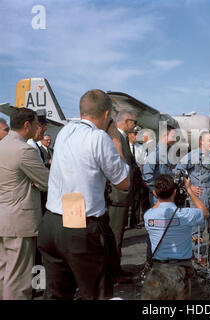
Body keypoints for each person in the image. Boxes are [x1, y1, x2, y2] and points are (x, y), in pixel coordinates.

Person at [37, 89, 130, 300]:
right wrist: (115, 138)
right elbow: (124, 182)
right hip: (80, 225)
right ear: (107, 115)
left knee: (57, 294)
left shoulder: (64, 132)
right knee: (96, 292)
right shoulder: (98, 137)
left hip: (51, 223)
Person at [0, 108, 49, 300]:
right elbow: (47, 182)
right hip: (20, 222)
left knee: (4, 275)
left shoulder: (2, 145)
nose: (39, 128)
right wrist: (35, 180)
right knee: (19, 281)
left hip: (4, 218)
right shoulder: (24, 150)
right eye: (37, 124)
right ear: (27, 125)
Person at [144, 174, 209, 278]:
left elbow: (156, 208)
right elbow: (205, 213)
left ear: (155, 194)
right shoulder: (185, 214)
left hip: (159, 268)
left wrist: (158, 195)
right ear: (175, 192)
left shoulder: (148, 216)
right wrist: (189, 190)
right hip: (182, 268)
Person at [176, 132, 210, 264]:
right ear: (201, 142)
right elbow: (178, 171)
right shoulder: (193, 155)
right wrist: (189, 187)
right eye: (209, 140)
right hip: (200, 196)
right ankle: (196, 255)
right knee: (198, 228)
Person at [107, 110, 138, 259]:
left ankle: (115, 269)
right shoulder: (115, 138)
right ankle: (112, 273)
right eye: (134, 122)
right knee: (114, 235)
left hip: (122, 196)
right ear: (126, 122)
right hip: (117, 197)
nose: (136, 126)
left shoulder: (122, 138)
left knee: (118, 234)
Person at [128, 127, 147, 228]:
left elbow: (144, 163)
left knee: (136, 199)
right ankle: (122, 223)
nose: (136, 136)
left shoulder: (140, 148)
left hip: (137, 176)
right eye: (134, 134)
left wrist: (144, 178)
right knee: (125, 200)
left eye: (137, 134)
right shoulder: (124, 147)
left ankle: (134, 222)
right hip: (126, 176)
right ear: (129, 135)